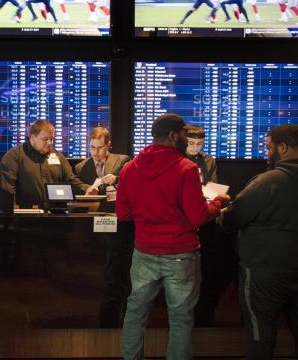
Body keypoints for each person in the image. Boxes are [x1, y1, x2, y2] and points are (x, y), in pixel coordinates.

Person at [117, 113, 230, 360]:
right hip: (180, 254)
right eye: (184, 135)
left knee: (135, 314)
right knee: (180, 319)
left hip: (144, 252)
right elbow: (198, 217)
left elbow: (123, 214)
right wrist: (219, 202)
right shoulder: (186, 169)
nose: (186, 140)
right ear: (173, 135)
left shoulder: (129, 168)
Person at [226, 124, 298, 359]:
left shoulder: (266, 182)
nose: (267, 153)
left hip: (263, 273)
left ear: (283, 148)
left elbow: (235, 216)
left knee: (260, 338)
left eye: (269, 148)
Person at [73, 127, 131, 328]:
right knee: (99, 276)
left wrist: (115, 180)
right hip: (94, 226)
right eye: (92, 148)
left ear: (109, 145)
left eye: (100, 147)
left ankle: (121, 320)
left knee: (121, 276)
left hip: (120, 225)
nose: (95, 152)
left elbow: (131, 183)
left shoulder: (122, 161)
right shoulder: (81, 168)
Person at [185, 126, 237, 327]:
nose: (195, 148)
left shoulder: (209, 160)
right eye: (191, 143)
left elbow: (213, 185)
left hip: (204, 212)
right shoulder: (177, 158)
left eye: (199, 144)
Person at [0, 120, 88, 213]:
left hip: (55, 217)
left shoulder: (58, 156)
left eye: (51, 139)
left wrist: (87, 189)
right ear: (32, 138)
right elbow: (8, 192)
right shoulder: (14, 157)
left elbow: (71, 179)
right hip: (25, 218)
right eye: (45, 139)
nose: (49, 143)